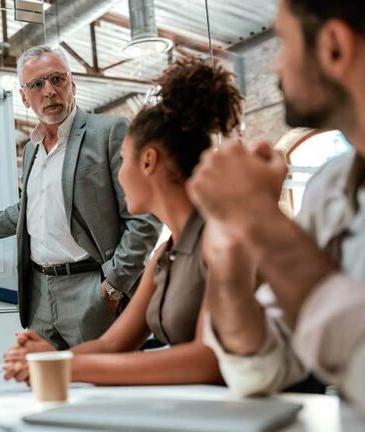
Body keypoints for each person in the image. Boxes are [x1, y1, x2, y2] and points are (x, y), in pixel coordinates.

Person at [3, 57, 242, 386]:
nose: (116, 174)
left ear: (148, 162)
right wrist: (48, 358)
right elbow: (112, 344)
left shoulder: (221, 242)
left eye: (124, 160)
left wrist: (61, 367)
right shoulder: (165, 256)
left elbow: (206, 360)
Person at [186, 0, 365, 413]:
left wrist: (259, 218)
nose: (274, 66)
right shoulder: (330, 186)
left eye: (283, 42)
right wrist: (229, 259)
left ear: (335, 47)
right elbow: (262, 369)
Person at [0, 45, 161, 349]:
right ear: (24, 96)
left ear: (72, 84)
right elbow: (29, 210)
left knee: (102, 388)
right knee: (45, 391)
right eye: (36, 84)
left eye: (57, 80)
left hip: (91, 289)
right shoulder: (32, 147)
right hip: (39, 295)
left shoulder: (109, 132)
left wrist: (113, 286)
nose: (49, 91)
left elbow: (144, 218)